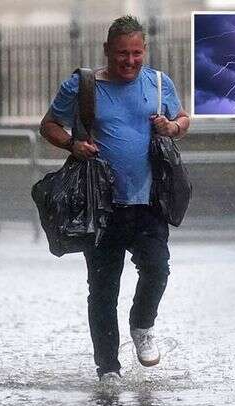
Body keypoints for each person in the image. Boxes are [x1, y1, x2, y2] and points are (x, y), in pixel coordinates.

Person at [39, 15, 190, 381]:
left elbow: (183, 120)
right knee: (104, 290)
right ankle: (108, 368)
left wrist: (172, 127)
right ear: (107, 51)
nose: (130, 61)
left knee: (157, 268)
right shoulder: (83, 85)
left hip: (149, 202)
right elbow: (48, 125)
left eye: (137, 53)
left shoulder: (158, 84)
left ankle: (142, 324)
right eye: (122, 53)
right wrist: (74, 145)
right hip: (101, 207)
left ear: (144, 51)